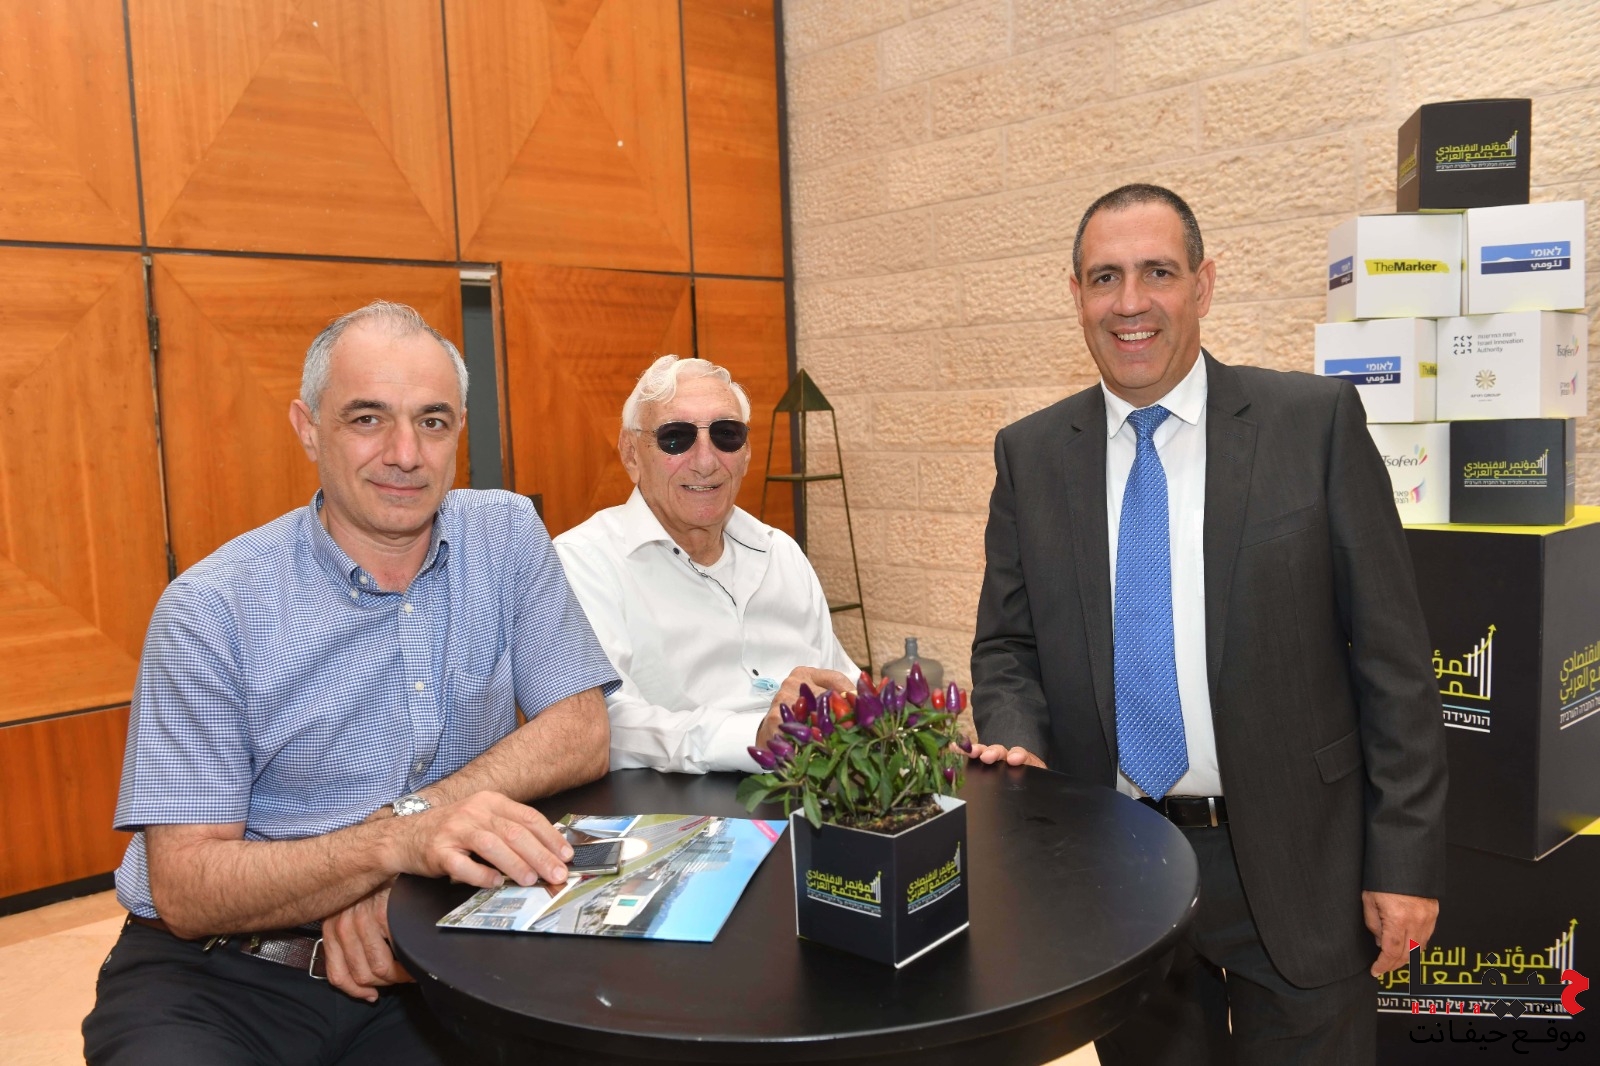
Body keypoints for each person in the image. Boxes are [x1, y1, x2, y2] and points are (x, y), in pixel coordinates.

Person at [968, 185, 1447, 1064]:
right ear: (1075, 294)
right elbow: (1008, 645)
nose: (1131, 302)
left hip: (1302, 863)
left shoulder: (1313, 424)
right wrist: (1017, 736)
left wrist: (1404, 861)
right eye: (1105, 277)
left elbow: (1394, 662)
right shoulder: (1030, 455)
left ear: (1204, 284)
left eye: (1158, 272)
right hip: (1118, 867)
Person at [84, 301, 620, 1065]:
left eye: (432, 422)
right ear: (308, 428)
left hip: (421, 957)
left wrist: (409, 838)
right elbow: (189, 887)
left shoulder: (504, 536)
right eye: (368, 419)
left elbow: (581, 729)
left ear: (459, 432)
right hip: (222, 975)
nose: (405, 453)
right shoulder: (210, 609)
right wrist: (393, 845)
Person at [553, 354, 859, 774]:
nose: (705, 461)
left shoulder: (782, 553)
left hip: (811, 784)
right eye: (675, 438)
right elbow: (606, 724)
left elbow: (842, 681)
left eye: (726, 435)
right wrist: (754, 737)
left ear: (746, 453)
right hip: (670, 800)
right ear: (631, 453)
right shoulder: (585, 562)